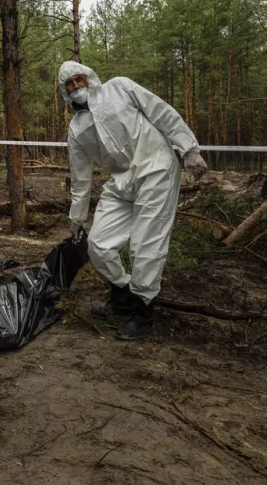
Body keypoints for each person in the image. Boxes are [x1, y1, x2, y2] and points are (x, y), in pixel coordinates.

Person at [59, 61, 208, 341]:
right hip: (122, 181)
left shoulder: (119, 88)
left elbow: (160, 112)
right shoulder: (76, 129)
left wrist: (188, 149)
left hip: (156, 169)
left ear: (89, 78)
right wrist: (76, 218)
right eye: (69, 84)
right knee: (99, 244)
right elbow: (80, 177)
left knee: (145, 245)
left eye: (79, 80)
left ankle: (143, 310)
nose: (76, 87)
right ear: (64, 92)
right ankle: (123, 294)